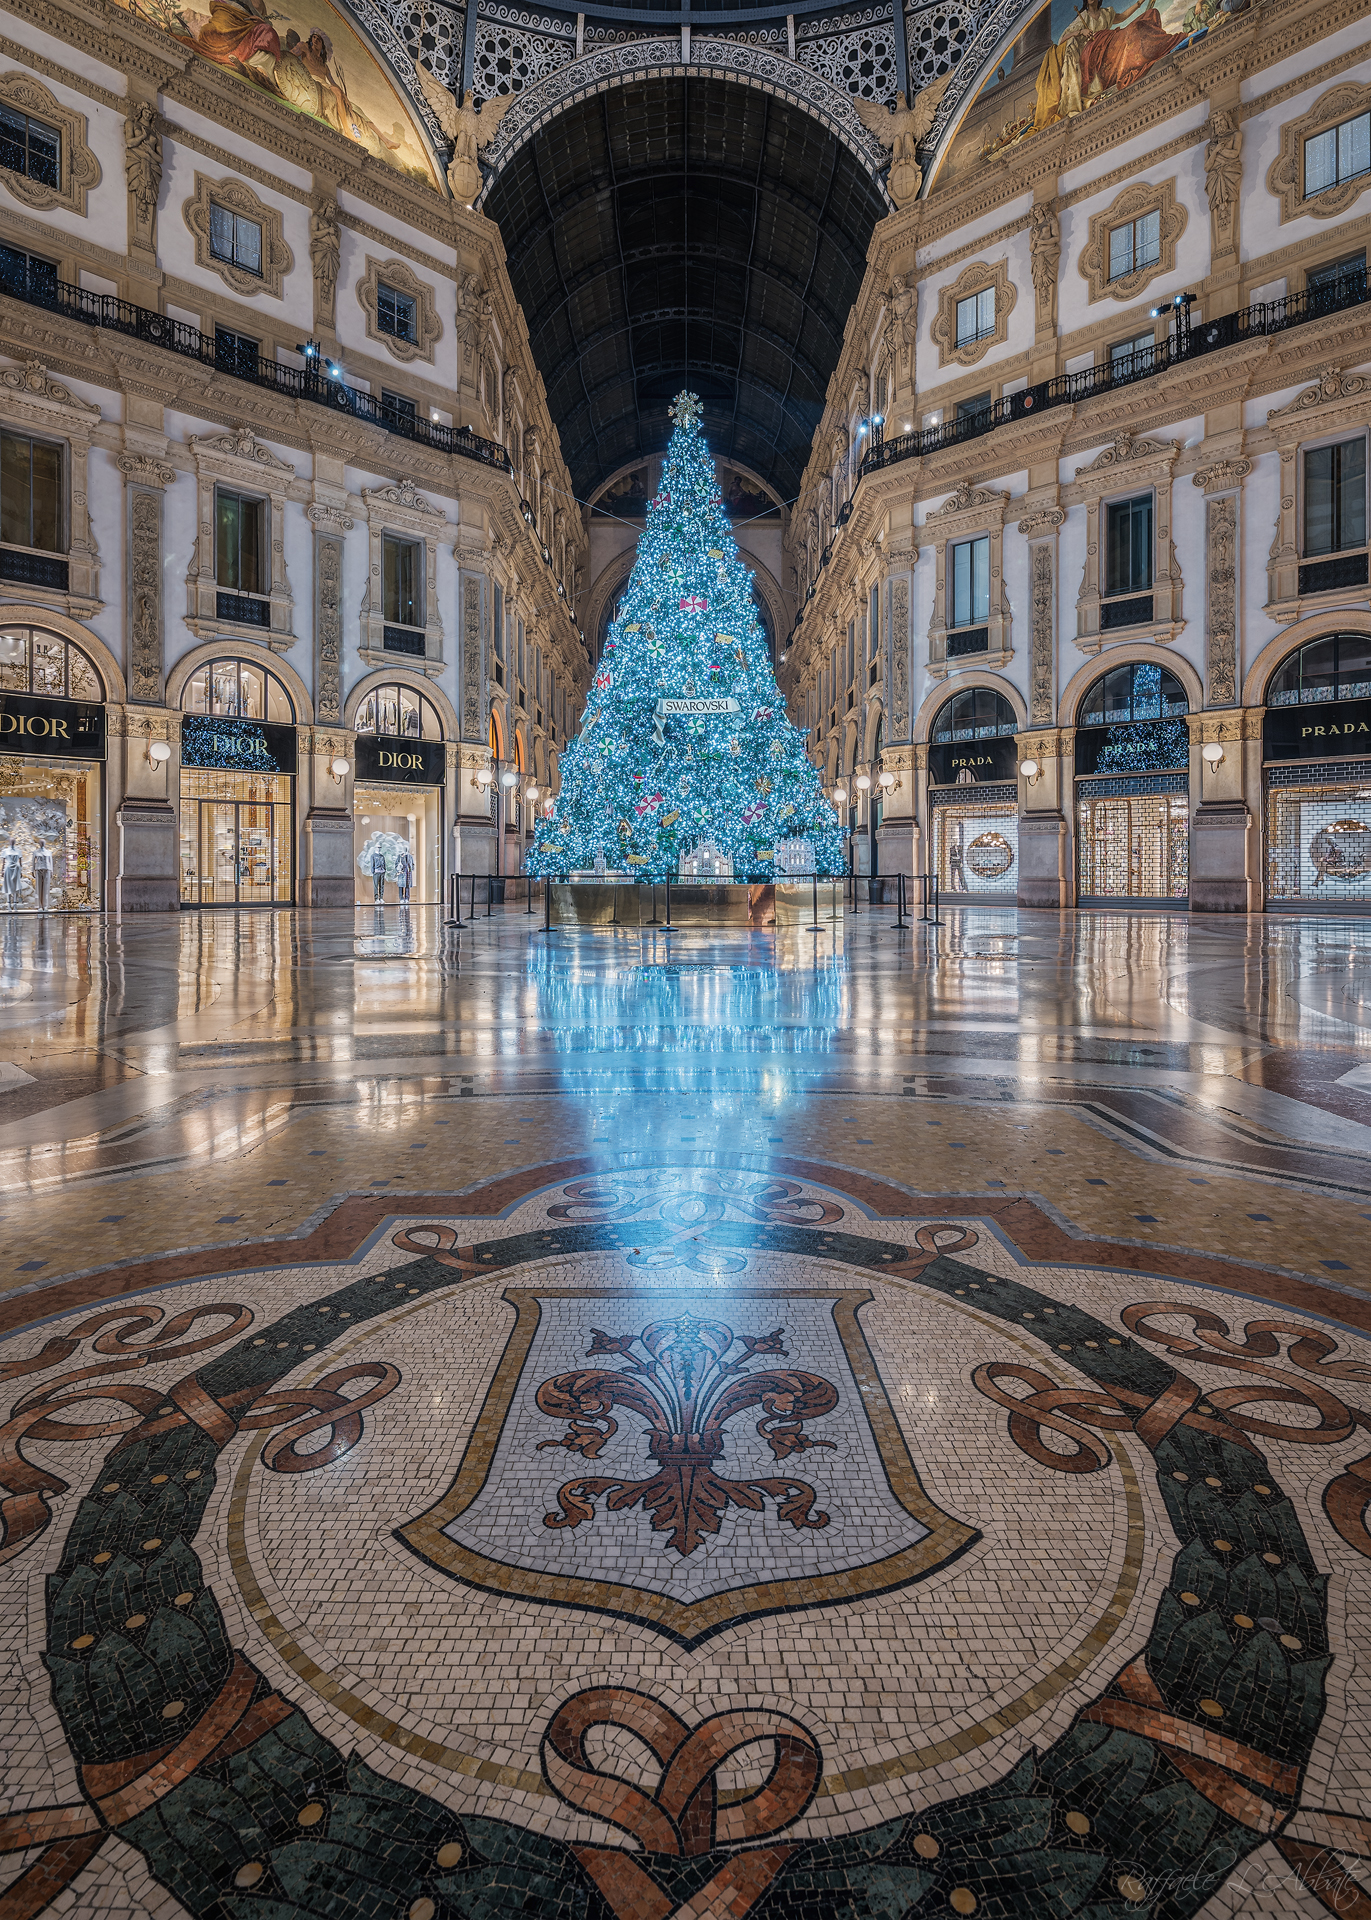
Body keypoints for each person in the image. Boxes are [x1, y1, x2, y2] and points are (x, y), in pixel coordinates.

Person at [32, 842, 54, 912]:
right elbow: (33, 862)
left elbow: (51, 862)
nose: (42, 844)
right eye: (41, 843)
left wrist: (51, 871)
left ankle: (45, 905)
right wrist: (32, 870)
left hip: (47, 870)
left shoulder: (48, 852)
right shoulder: (35, 852)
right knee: (38, 888)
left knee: (46, 888)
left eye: (43, 843)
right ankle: (39, 905)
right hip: (38, 869)